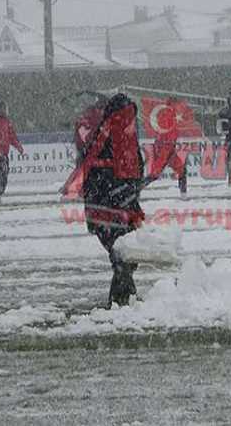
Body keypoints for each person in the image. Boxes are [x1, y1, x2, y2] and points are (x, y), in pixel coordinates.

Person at [74, 93, 145, 308]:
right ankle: (122, 300)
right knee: (122, 254)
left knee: (123, 254)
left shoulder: (117, 134)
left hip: (115, 203)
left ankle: (123, 299)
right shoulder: (109, 135)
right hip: (109, 203)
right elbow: (103, 172)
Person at [145, 97, 189, 198]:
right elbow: (167, 132)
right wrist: (167, 143)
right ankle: (135, 190)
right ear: (174, 104)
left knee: (181, 170)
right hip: (166, 148)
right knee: (155, 174)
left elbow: (164, 131)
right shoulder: (168, 113)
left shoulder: (167, 113)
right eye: (178, 104)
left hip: (167, 147)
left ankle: (183, 194)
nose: (180, 106)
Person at [73, 92, 108, 166]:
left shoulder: (85, 119)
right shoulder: (87, 119)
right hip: (90, 156)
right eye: (101, 108)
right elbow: (83, 138)